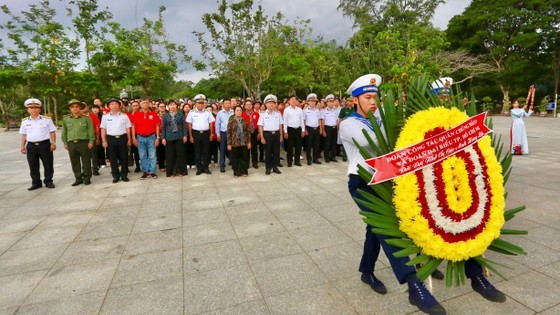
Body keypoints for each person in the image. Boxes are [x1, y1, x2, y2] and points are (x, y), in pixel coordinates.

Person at [340, 74, 505, 315]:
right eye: (367, 97)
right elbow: (377, 143)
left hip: (390, 180)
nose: (373, 102)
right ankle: (414, 286)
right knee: (386, 229)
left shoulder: (383, 118)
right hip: (363, 182)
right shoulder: (348, 124)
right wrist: (412, 130)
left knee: (388, 227)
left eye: (375, 97)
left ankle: (475, 275)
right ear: (355, 100)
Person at [19, 98, 57, 190]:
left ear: (39, 109)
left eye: (36, 108)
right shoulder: (25, 121)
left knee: (48, 164)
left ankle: (48, 181)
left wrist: (53, 143)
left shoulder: (47, 119)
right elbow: (24, 134)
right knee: (33, 165)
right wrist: (22, 146)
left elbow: (52, 132)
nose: (33, 109)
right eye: (31, 108)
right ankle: (36, 183)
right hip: (31, 145)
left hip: (44, 144)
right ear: (28, 110)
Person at [61, 99, 95, 186]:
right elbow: (64, 131)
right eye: (72, 107)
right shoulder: (66, 119)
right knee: (74, 161)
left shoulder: (86, 118)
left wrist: (91, 141)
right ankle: (78, 178)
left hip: (83, 142)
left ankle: (87, 177)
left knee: (86, 160)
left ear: (80, 108)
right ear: (70, 108)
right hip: (71, 143)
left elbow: (90, 130)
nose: (75, 108)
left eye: (77, 106)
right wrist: (65, 142)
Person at [100, 98, 132, 183]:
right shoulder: (105, 117)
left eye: (116, 104)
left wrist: (129, 139)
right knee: (113, 158)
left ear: (119, 105)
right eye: (112, 104)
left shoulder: (124, 116)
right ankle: (115, 176)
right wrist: (104, 140)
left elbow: (128, 128)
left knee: (124, 157)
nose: (114, 106)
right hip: (111, 139)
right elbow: (103, 129)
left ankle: (124, 175)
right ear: (108, 106)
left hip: (122, 138)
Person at [131, 98, 161, 180]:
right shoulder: (136, 114)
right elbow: (133, 126)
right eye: (143, 103)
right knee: (142, 155)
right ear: (140, 104)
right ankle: (145, 171)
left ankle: (152, 171)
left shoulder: (153, 113)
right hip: (140, 137)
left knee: (152, 155)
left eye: (147, 103)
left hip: (151, 136)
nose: (145, 104)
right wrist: (133, 137)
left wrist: (157, 137)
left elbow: (157, 126)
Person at [186, 94, 215, 175]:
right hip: (196, 133)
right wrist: (191, 136)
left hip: (206, 133)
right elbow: (190, 125)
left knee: (206, 151)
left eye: (202, 103)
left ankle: (205, 167)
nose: (201, 104)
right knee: (197, 151)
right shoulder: (191, 112)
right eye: (199, 103)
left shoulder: (208, 112)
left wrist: (211, 134)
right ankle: (199, 168)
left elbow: (211, 124)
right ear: (195, 103)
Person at [161, 99, 188, 177]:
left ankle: (181, 171)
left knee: (180, 154)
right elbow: (163, 127)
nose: (172, 106)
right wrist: (163, 138)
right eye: (170, 105)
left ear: (176, 106)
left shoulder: (180, 114)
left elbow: (184, 126)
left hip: (179, 136)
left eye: (174, 104)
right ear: (168, 106)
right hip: (169, 137)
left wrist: (185, 135)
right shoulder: (165, 115)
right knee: (170, 155)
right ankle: (171, 172)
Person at [258, 94, 283, 175]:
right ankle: (268, 168)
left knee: (276, 152)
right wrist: (262, 137)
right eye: (269, 103)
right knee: (268, 152)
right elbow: (260, 126)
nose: (271, 104)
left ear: (275, 104)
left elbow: (280, 125)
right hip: (267, 134)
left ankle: (275, 167)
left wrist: (281, 135)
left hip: (276, 134)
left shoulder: (278, 113)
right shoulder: (263, 114)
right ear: (266, 104)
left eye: (273, 103)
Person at [227, 105, 251, 177]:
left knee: (244, 157)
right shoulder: (231, 122)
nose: (239, 112)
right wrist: (229, 144)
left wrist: (249, 142)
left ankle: (244, 171)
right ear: (234, 112)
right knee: (235, 158)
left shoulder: (245, 121)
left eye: (240, 110)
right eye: (237, 110)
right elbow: (228, 133)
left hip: (244, 142)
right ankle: (236, 172)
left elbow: (248, 132)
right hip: (234, 142)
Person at [283, 95, 305, 167]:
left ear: (296, 101)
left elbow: (302, 120)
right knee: (290, 147)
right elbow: (285, 122)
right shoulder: (286, 110)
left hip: (298, 129)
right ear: (289, 101)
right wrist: (285, 131)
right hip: (290, 130)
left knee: (298, 147)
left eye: (294, 99)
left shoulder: (299, 110)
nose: (293, 101)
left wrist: (303, 130)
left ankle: (297, 161)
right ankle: (289, 162)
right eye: (292, 99)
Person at [81, 103, 101, 176]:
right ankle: (85, 170)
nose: (83, 108)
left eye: (84, 106)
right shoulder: (78, 117)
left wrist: (98, 138)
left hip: (92, 137)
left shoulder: (92, 116)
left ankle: (95, 169)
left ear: (87, 107)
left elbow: (97, 127)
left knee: (94, 154)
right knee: (83, 155)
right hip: (82, 138)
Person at [303, 93, 322, 165]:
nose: (313, 102)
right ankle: (309, 159)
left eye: (314, 101)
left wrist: (320, 128)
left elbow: (319, 120)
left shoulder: (317, 110)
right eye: (311, 101)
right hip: (309, 129)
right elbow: (304, 120)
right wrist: (305, 129)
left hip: (316, 128)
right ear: (308, 102)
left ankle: (315, 158)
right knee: (308, 145)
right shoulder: (305, 110)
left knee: (316, 145)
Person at [216, 99, 234, 172]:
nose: (227, 105)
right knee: (223, 149)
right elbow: (217, 124)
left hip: (233, 133)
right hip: (223, 133)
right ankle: (222, 165)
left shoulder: (234, 112)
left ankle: (233, 163)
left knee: (233, 149)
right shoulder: (220, 113)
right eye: (226, 103)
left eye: (228, 103)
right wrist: (218, 134)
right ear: (223, 105)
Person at [321, 94, 340, 163]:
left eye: (333, 101)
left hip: (334, 128)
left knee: (333, 143)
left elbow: (337, 120)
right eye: (330, 101)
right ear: (327, 102)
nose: (332, 103)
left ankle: (333, 157)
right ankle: (327, 157)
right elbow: (322, 121)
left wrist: (337, 129)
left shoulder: (336, 110)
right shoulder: (324, 111)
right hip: (327, 128)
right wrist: (323, 130)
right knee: (327, 143)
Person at [242, 99, 260, 169]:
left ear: (252, 105)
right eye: (247, 105)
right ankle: (246, 163)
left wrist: (258, 133)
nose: (248, 106)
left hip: (255, 132)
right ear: (245, 106)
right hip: (246, 133)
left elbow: (259, 124)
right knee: (246, 149)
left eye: (250, 104)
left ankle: (255, 163)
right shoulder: (242, 114)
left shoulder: (256, 114)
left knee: (254, 148)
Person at [127, 100, 142, 173]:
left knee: (140, 151)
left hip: (140, 134)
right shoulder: (128, 115)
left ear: (139, 106)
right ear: (131, 107)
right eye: (134, 105)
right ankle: (137, 166)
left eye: (136, 105)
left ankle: (143, 165)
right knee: (133, 151)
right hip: (130, 134)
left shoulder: (141, 113)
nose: (135, 107)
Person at [182, 103, 195, 169]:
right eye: (185, 107)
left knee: (192, 148)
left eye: (188, 107)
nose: (187, 108)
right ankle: (186, 163)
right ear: (183, 108)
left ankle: (192, 162)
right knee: (185, 149)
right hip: (184, 134)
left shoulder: (193, 115)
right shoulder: (181, 116)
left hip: (192, 133)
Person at [156, 101, 167, 171]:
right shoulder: (155, 115)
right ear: (158, 108)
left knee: (167, 150)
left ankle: (168, 164)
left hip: (167, 134)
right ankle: (161, 166)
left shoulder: (168, 115)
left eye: (163, 106)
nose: (162, 108)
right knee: (159, 151)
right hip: (158, 134)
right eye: (160, 106)